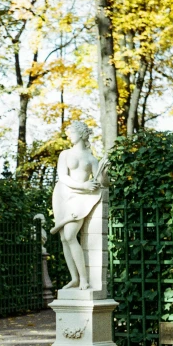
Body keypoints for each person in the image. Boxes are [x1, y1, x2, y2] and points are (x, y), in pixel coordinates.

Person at [50, 121, 108, 290]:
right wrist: (82, 185)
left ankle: (84, 278)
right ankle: (74, 278)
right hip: (63, 195)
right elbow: (63, 176)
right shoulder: (65, 154)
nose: (69, 135)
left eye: (72, 132)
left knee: (69, 235)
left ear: (82, 134)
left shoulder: (91, 158)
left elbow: (101, 183)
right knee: (64, 239)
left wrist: (104, 173)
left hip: (81, 198)